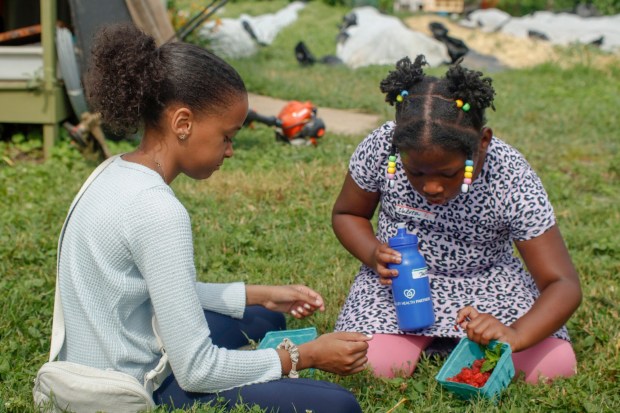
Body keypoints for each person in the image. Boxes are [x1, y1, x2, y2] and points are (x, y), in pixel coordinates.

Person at [56, 23, 371, 412]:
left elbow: (153, 287)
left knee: (262, 319)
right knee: (339, 405)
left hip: (92, 363)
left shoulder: (110, 172)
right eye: (227, 136)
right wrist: (305, 356)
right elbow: (197, 371)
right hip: (130, 388)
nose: (230, 151)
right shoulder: (159, 210)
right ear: (183, 123)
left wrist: (263, 295)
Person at [331, 55, 582, 383]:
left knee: (555, 366)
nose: (430, 187)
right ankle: (442, 343)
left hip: (487, 283)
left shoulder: (510, 175)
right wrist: (371, 252)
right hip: (400, 287)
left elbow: (563, 284)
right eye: (415, 172)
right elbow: (347, 213)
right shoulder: (383, 148)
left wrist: (516, 334)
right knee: (368, 364)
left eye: (449, 173)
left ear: (482, 143)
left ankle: (445, 343)